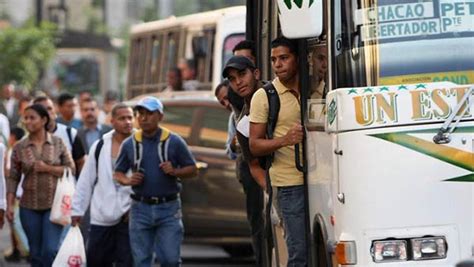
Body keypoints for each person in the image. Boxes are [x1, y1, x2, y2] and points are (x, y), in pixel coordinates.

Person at [115, 96, 197, 267]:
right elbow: (118, 173)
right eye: (140, 113)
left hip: (169, 208)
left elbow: (192, 169)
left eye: (150, 113)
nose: (144, 118)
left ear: (160, 116)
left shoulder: (174, 141)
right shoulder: (130, 144)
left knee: (170, 260)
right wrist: (129, 181)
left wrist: (175, 171)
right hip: (139, 208)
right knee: (141, 261)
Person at [249, 37, 306, 266]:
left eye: (284, 58)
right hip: (288, 184)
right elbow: (254, 144)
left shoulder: (317, 88)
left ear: (298, 59)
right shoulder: (264, 96)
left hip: (322, 180)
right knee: (298, 252)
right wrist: (284, 140)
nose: (278, 65)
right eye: (274, 60)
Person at [6, 104, 75, 267]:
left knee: (50, 250)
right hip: (28, 206)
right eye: (26, 117)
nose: (28, 121)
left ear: (44, 120)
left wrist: (48, 168)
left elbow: (71, 169)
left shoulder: (58, 143)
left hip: (55, 206)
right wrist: (9, 205)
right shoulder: (19, 147)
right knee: (35, 253)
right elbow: (13, 178)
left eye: (32, 117)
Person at [71, 103, 134, 267]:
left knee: (127, 262)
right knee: (96, 260)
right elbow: (86, 180)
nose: (127, 122)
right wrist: (77, 210)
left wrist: (137, 206)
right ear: (112, 121)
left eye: (130, 118)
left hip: (130, 215)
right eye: (122, 118)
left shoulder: (141, 145)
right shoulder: (100, 146)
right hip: (102, 215)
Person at [222, 55, 266, 265]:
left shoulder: (274, 96)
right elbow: (253, 164)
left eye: (242, 74)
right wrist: (272, 191)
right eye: (232, 79)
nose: (238, 82)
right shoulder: (242, 122)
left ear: (256, 73)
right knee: (261, 228)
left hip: (296, 182)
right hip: (273, 187)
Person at [33, 96, 86, 175]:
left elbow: (81, 162)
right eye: (41, 110)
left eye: (49, 108)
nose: (47, 113)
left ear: (55, 111)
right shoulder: (27, 140)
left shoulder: (70, 134)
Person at [3, 127, 29, 263]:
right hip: (25, 194)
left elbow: (8, 172)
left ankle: (27, 251)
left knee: (18, 224)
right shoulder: (26, 149)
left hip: (17, 196)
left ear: (12, 137)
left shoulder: (14, 150)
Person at [215, 80, 238, 160]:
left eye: (226, 98)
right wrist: (233, 144)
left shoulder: (255, 104)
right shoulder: (233, 118)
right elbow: (230, 153)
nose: (226, 104)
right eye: (222, 103)